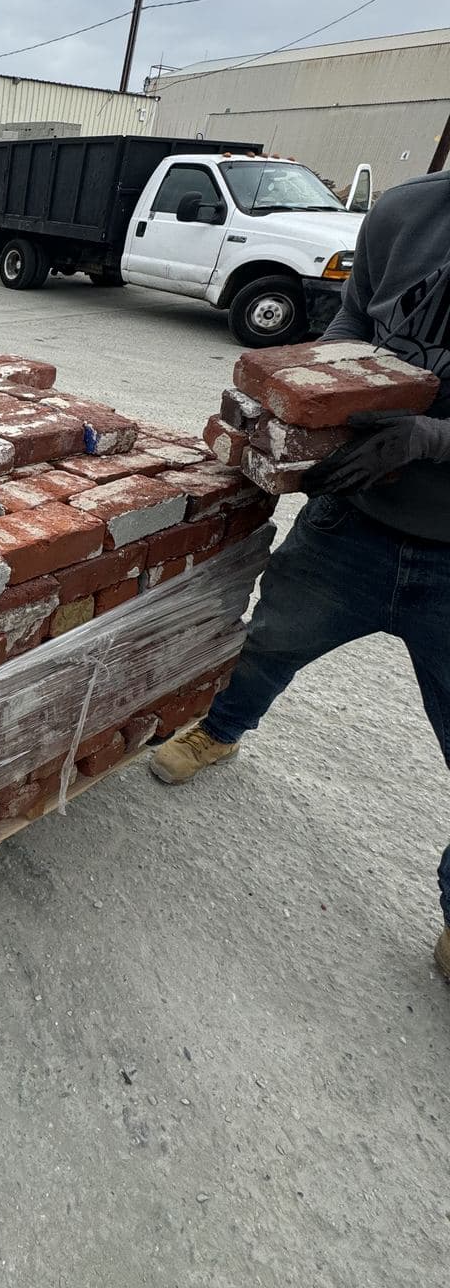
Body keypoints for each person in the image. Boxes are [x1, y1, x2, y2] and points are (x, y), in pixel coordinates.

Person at [148, 168, 450, 975]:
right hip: (355, 516)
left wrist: (435, 439)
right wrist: (303, 418)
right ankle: (220, 731)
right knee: (269, 637)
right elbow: (351, 329)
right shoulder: (407, 212)